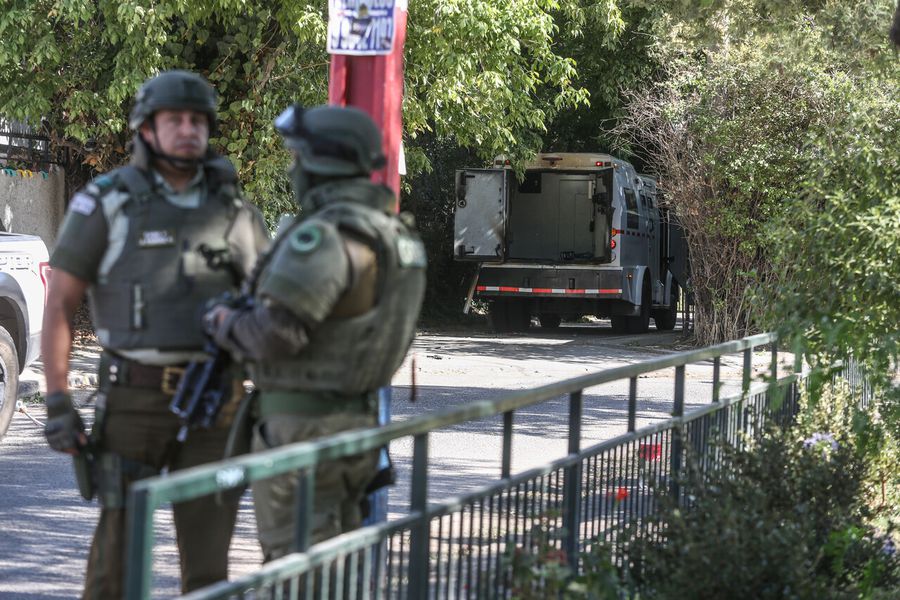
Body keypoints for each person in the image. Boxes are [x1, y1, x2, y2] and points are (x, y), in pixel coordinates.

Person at [41, 70, 269, 598]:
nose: (189, 129)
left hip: (219, 402)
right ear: (147, 128)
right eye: (175, 120)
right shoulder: (107, 201)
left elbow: (270, 312)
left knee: (210, 565)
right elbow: (60, 303)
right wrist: (57, 399)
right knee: (116, 564)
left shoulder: (235, 213)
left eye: (197, 120)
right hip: (133, 401)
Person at [205, 104, 426, 561]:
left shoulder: (325, 239)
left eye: (298, 157)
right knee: (336, 567)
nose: (293, 167)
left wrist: (224, 322)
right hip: (354, 426)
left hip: (303, 436)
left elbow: (277, 335)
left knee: (295, 570)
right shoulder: (395, 235)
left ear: (323, 162)